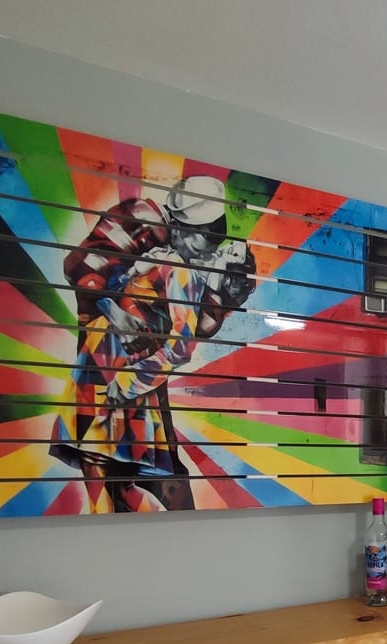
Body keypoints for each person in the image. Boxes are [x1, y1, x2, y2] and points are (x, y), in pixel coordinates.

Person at [50, 176, 255, 512]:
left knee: (141, 473)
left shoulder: (184, 265)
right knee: (106, 468)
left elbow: (195, 330)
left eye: (217, 237)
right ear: (182, 227)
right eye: (207, 237)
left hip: (139, 373)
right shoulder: (141, 221)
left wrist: (226, 292)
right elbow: (79, 264)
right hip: (106, 363)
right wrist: (114, 311)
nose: (210, 248)